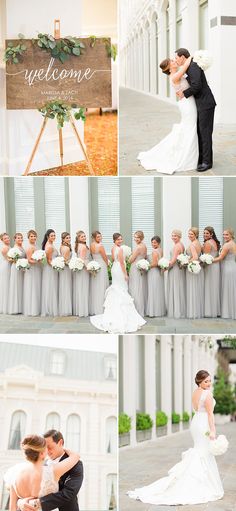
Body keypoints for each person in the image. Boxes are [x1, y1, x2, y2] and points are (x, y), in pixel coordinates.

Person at [127, 370, 224, 505]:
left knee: (200, 451)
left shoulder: (195, 392)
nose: (209, 383)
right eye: (205, 381)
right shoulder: (207, 394)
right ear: (199, 382)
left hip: (196, 423)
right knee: (204, 452)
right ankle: (199, 484)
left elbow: (198, 409)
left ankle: (198, 480)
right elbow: (210, 415)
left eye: (209, 380)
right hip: (203, 425)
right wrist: (213, 430)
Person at [137, 55, 198, 173]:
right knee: (190, 127)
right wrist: (190, 57)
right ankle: (187, 155)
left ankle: (191, 152)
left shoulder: (177, 74)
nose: (174, 61)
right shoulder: (174, 76)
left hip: (188, 101)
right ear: (169, 68)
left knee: (189, 127)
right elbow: (185, 66)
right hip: (187, 104)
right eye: (171, 61)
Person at [7, 430, 83, 511]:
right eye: (44, 448)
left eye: (49, 447)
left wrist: (35, 503)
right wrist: (21, 502)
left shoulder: (76, 464)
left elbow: (69, 493)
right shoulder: (40, 465)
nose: (47, 451)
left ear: (60, 442)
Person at [90, 233, 146, 333]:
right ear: (114, 240)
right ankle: (121, 314)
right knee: (121, 289)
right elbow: (121, 263)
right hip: (119, 270)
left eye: (121, 239)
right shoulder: (120, 249)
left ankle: (113, 312)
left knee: (116, 288)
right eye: (118, 240)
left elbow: (113, 259)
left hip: (114, 268)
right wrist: (125, 274)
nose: (120, 241)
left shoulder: (113, 248)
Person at [175, 47, 216, 172]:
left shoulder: (193, 66)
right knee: (200, 132)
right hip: (201, 104)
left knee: (205, 133)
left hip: (206, 104)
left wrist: (184, 93)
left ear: (182, 57)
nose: (176, 61)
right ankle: (202, 158)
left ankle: (207, 162)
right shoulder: (189, 66)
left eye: (176, 58)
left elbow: (197, 86)